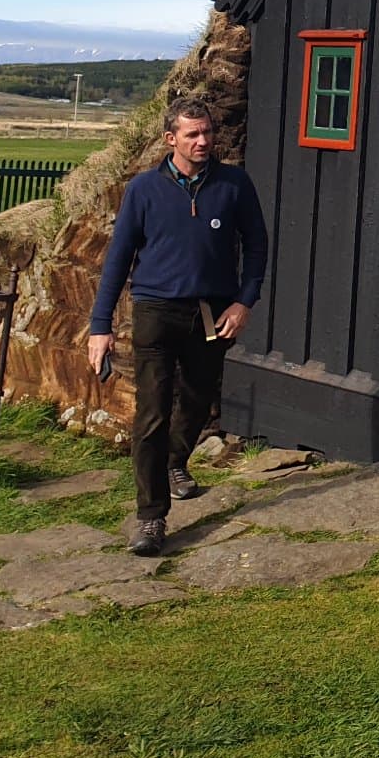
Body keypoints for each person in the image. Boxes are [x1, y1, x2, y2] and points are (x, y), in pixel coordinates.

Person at [88, 97, 269, 557]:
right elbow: (118, 259)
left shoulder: (234, 185)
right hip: (155, 311)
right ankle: (151, 518)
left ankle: (175, 461)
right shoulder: (144, 189)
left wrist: (244, 302)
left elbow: (257, 246)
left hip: (212, 312)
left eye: (207, 132)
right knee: (151, 414)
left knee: (197, 398)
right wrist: (100, 325)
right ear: (171, 139)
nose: (204, 140)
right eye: (193, 134)